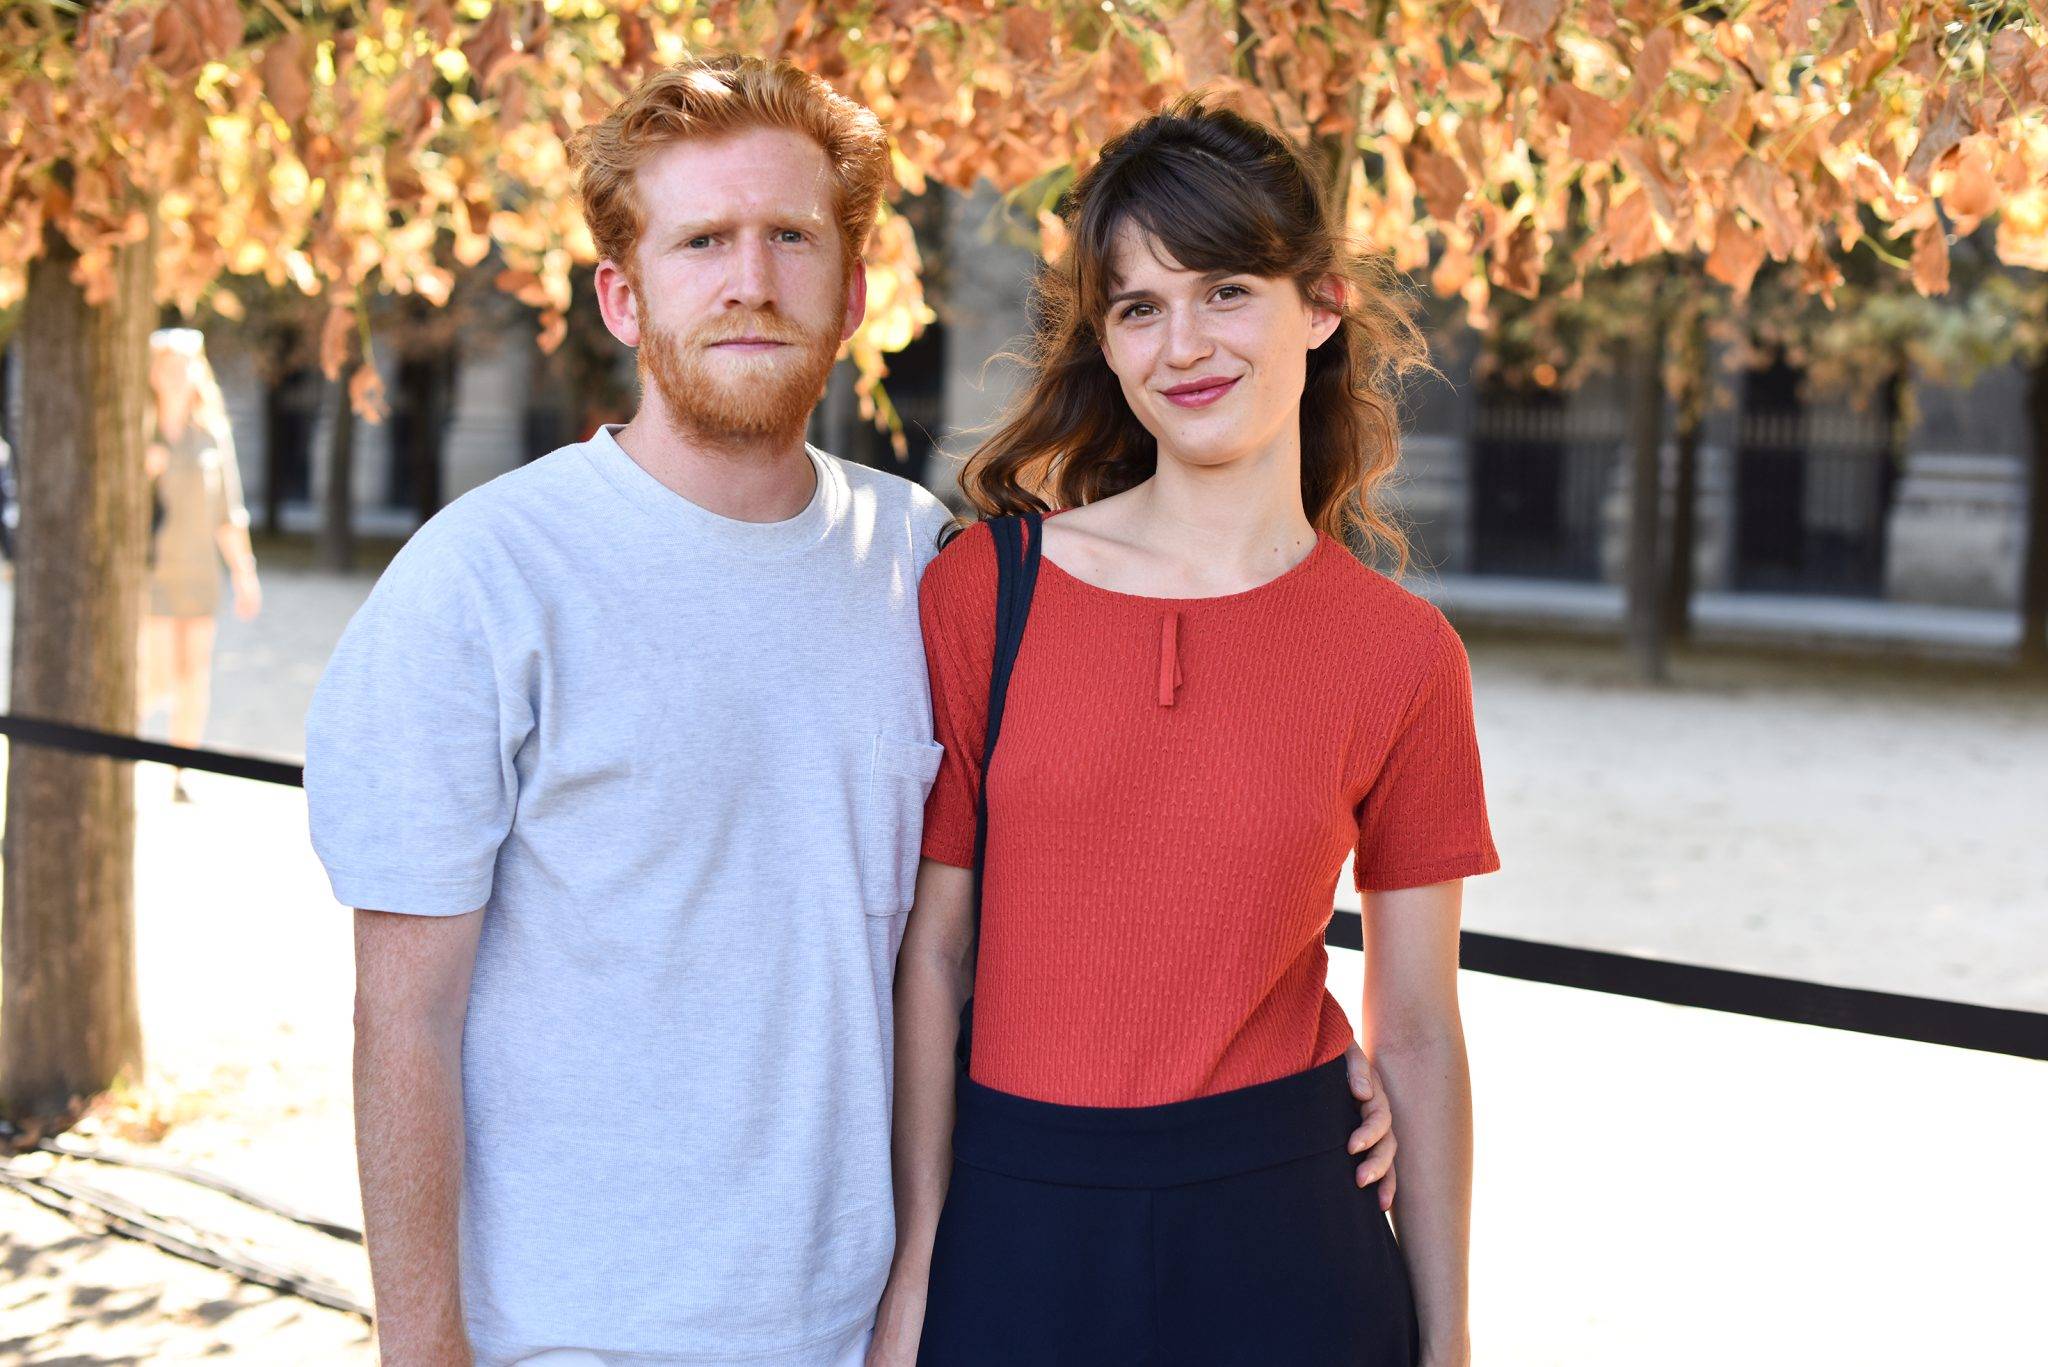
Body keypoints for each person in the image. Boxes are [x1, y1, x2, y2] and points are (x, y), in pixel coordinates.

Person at [304, 56, 1403, 1367]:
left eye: (791, 237)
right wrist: (422, 1350)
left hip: (886, 1322)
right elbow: (402, 1020)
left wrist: (1303, 1074)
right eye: (702, 239)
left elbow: (1079, 866)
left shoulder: (927, 562)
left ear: (858, 290)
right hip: (579, 1330)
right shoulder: (482, 583)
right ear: (621, 291)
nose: (751, 279)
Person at [874, 97, 1500, 1367]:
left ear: (1317, 306)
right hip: (1014, 1224)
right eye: (1138, 306)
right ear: (1103, 342)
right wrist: (916, 1270)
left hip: (1284, 1233)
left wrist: (1446, 1337)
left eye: (1224, 290)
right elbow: (932, 958)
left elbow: (1419, 1025)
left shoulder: (1401, 656)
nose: (1182, 344)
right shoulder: (983, 592)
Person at [140, 326, 261, 801]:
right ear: (152, 373)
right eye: (167, 366)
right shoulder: (138, 431)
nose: (175, 375)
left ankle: (181, 769)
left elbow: (229, 513)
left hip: (199, 574)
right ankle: (121, 745)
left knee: (195, 673)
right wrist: (142, 473)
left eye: (184, 366)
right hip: (151, 574)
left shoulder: (212, 436)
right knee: (159, 676)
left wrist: (244, 573)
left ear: (197, 373)